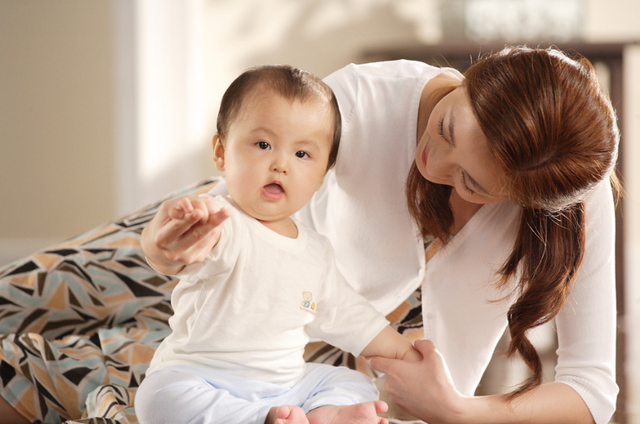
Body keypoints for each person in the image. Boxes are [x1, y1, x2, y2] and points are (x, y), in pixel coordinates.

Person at [142, 45, 620, 424]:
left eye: (472, 184)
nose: (434, 162)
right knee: (77, 299)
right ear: (473, 77)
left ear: (523, 199)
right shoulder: (363, 99)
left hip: (312, 341)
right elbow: (247, 198)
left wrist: (456, 411)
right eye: (448, 127)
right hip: (232, 240)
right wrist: (169, 252)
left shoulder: (567, 191)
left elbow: (591, 393)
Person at [135, 64, 422, 424]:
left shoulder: (316, 251)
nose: (280, 164)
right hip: (202, 378)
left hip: (285, 387)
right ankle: (261, 418)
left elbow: (350, 316)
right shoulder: (222, 221)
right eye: (263, 144)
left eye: (302, 154)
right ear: (222, 152)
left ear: (321, 178)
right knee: (158, 400)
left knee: (351, 379)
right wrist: (177, 229)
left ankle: (322, 413)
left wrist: (405, 353)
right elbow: (172, 253)